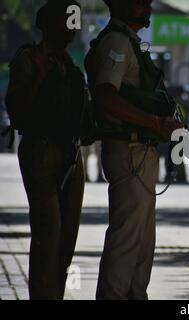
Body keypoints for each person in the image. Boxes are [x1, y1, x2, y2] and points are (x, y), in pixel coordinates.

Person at [85, 0, 182, 299]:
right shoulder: (116, 41)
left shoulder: (129, 41)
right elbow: (105, 95)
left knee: (141, 239)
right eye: (140, 2)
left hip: (140, 150)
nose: (147, 7)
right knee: (127, 238)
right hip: (128, 149)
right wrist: (154, 121)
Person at [5, 0, 86, 299]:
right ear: (49, 24)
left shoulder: (69, 65)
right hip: (41, 150)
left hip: (70, 153)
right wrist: (40, 76)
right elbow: (16, 108)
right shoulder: (30, 59)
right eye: (66, 20)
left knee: (66, 238)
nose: (71, 28)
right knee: (48, 232)